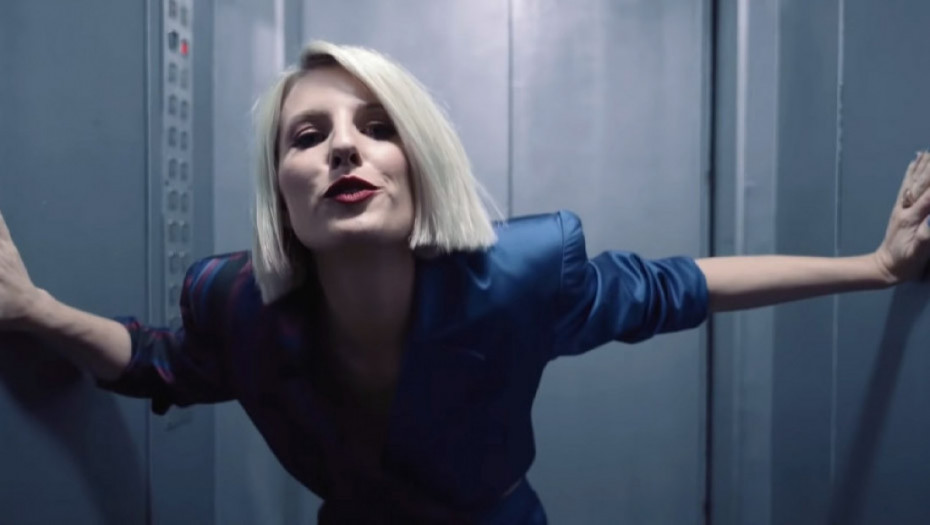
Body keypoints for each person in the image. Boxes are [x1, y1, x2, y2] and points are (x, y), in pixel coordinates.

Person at [1, 40, 929, 523]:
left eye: (378, 127)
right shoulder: (237, 305)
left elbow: (682, 285)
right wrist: (34, 310)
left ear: (421, 162)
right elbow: (157, 361)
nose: (345, 149)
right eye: (309, 136)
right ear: (281, 193)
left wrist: (877, 265)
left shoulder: (522, 276)